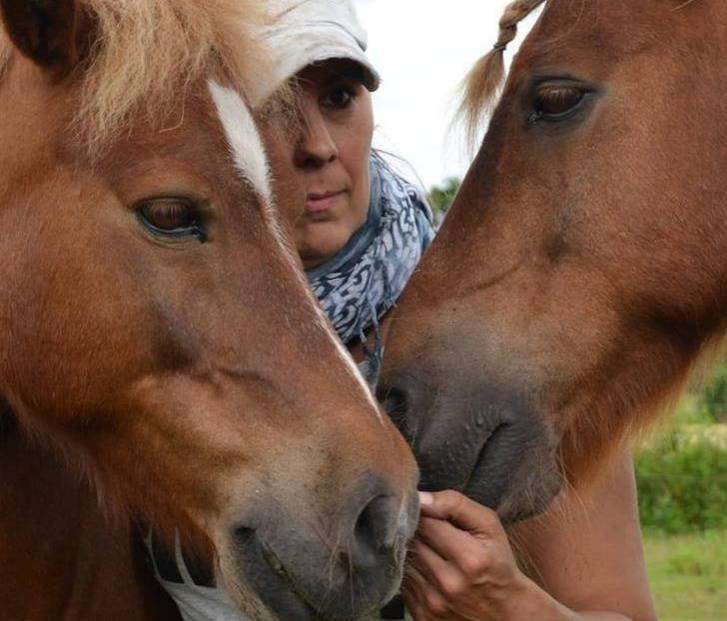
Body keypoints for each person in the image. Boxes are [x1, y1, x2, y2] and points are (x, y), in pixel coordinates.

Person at [148, 1, 657, 620]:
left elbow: (622, 611)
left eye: (339, 97)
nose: (317, 146)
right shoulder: (155, 345)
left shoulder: (503, 343)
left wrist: (509, 607)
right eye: (272, 108)